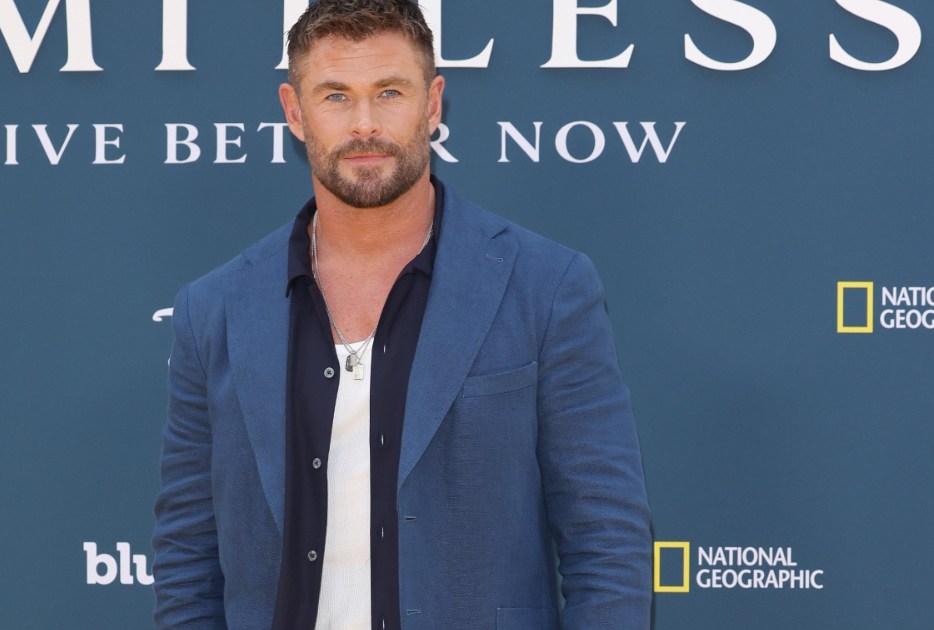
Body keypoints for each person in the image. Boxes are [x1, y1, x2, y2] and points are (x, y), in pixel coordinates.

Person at [152, 1, 651, 628]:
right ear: (294, 111)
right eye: (336, 96)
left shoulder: (546, 288)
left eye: (389, 92)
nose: (365, 124)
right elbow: (188, 561)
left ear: (433, 103)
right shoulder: (216, 310)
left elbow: (608, 544)